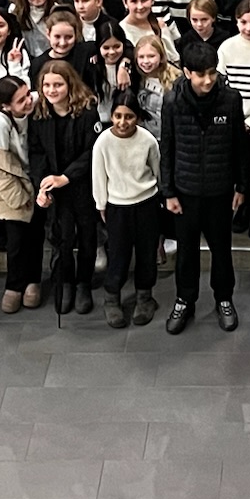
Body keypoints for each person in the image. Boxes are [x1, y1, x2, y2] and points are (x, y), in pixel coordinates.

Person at [160, 43, 249, 334]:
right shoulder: (172, 101)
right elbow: (167, 147)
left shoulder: (231, 99)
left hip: (220, 190)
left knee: (221, 250)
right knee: (186, 252)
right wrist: (168, 192)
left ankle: (224, 298)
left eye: (212, 73)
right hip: (184, 191)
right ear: (187, 73)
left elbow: (240, 146)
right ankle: (185, 299)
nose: (208, 80)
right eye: (200, 75)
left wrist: (242, 186)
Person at [30, 60, 100, 315]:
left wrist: (66, 177)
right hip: (56, 188)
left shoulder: (87, 111)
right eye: (46, 85)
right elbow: (36, 153)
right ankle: (66, 281)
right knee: (62, 237)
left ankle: (83, 283)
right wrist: (43, 187)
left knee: (87, 235)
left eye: (58, 84)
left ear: (69, 84)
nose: (52, 90)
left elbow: (92, 152)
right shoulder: (39, 114)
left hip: (82, 185)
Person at [93, 89, 162, 329]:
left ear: (138, 118)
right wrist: (101, 204)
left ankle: (145, 297)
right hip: (117, 206)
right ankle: (112, 298)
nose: (123, 122)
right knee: (118, 255)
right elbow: (98, 176)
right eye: (118, 116)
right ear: (111, 116)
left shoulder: (148, 140)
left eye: (129, 116)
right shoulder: (103, 142)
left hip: (146, 203)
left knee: (146, 253)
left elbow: (156, 171)